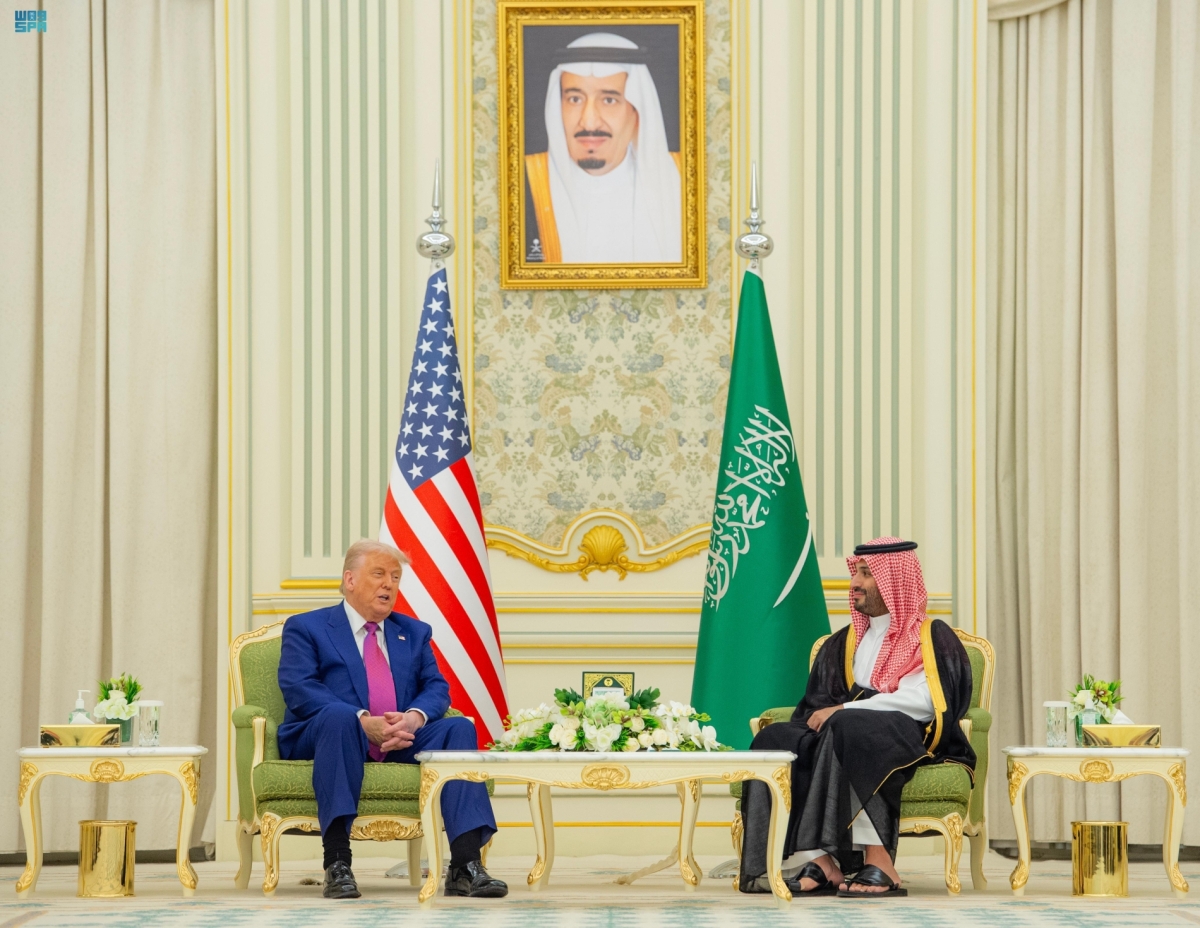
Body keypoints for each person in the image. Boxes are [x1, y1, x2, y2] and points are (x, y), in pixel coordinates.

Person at [737, 538, 975, 898]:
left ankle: (881, 863)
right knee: (776, 739)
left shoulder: (930, 636)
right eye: (855, 574)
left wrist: (847, 710)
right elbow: (818, 701)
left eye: (866, 574)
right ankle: (819, 861)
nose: (854, 584)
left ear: (894, 580)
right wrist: (835, 714)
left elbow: (927, 701)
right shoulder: (843, 642)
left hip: (906, 733)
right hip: (844, 729)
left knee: (852, 727)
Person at [277, 539, 507, 900]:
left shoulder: (413, 632)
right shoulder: (308, 627)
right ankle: (337, 863)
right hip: (331, 735)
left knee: (460, 727)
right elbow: (298, 687)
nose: (389, 584)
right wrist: (362, 720)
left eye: (396, 577)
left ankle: (465, 865)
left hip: (399, 739)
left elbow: (436, 688)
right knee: (339, 716)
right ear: (350, 580)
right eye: (380, 574)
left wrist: (413, 719)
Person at [524, 32, 682, 264]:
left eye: (609, 100)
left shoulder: (686, 182)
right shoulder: (520, 184)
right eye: (575, 99)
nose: (589, 122)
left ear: (637, 111)